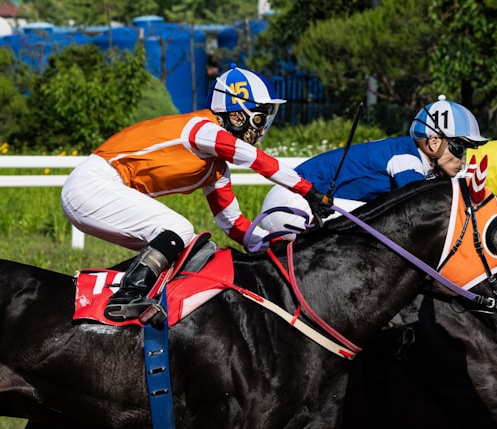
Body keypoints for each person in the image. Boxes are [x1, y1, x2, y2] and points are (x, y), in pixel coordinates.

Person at [61, 64, 333, 322]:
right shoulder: (201, 129)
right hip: (92, 184)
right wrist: (309, 191)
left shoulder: (215, 168)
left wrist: (285, 242)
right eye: (260, 118)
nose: (262, 130)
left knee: (194, 249)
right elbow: (254, 159)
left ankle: (131, 297)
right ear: (237, 115)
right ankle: (126, 298)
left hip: (101, 191)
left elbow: (236, 227)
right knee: (179, 228)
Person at [258, 95, 487, 237]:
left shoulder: (408, 152)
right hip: (293, 203)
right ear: (434, 142)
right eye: (459, 148)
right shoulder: (407, 161)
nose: (462, 159)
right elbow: (420, 209)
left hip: (300, 202)